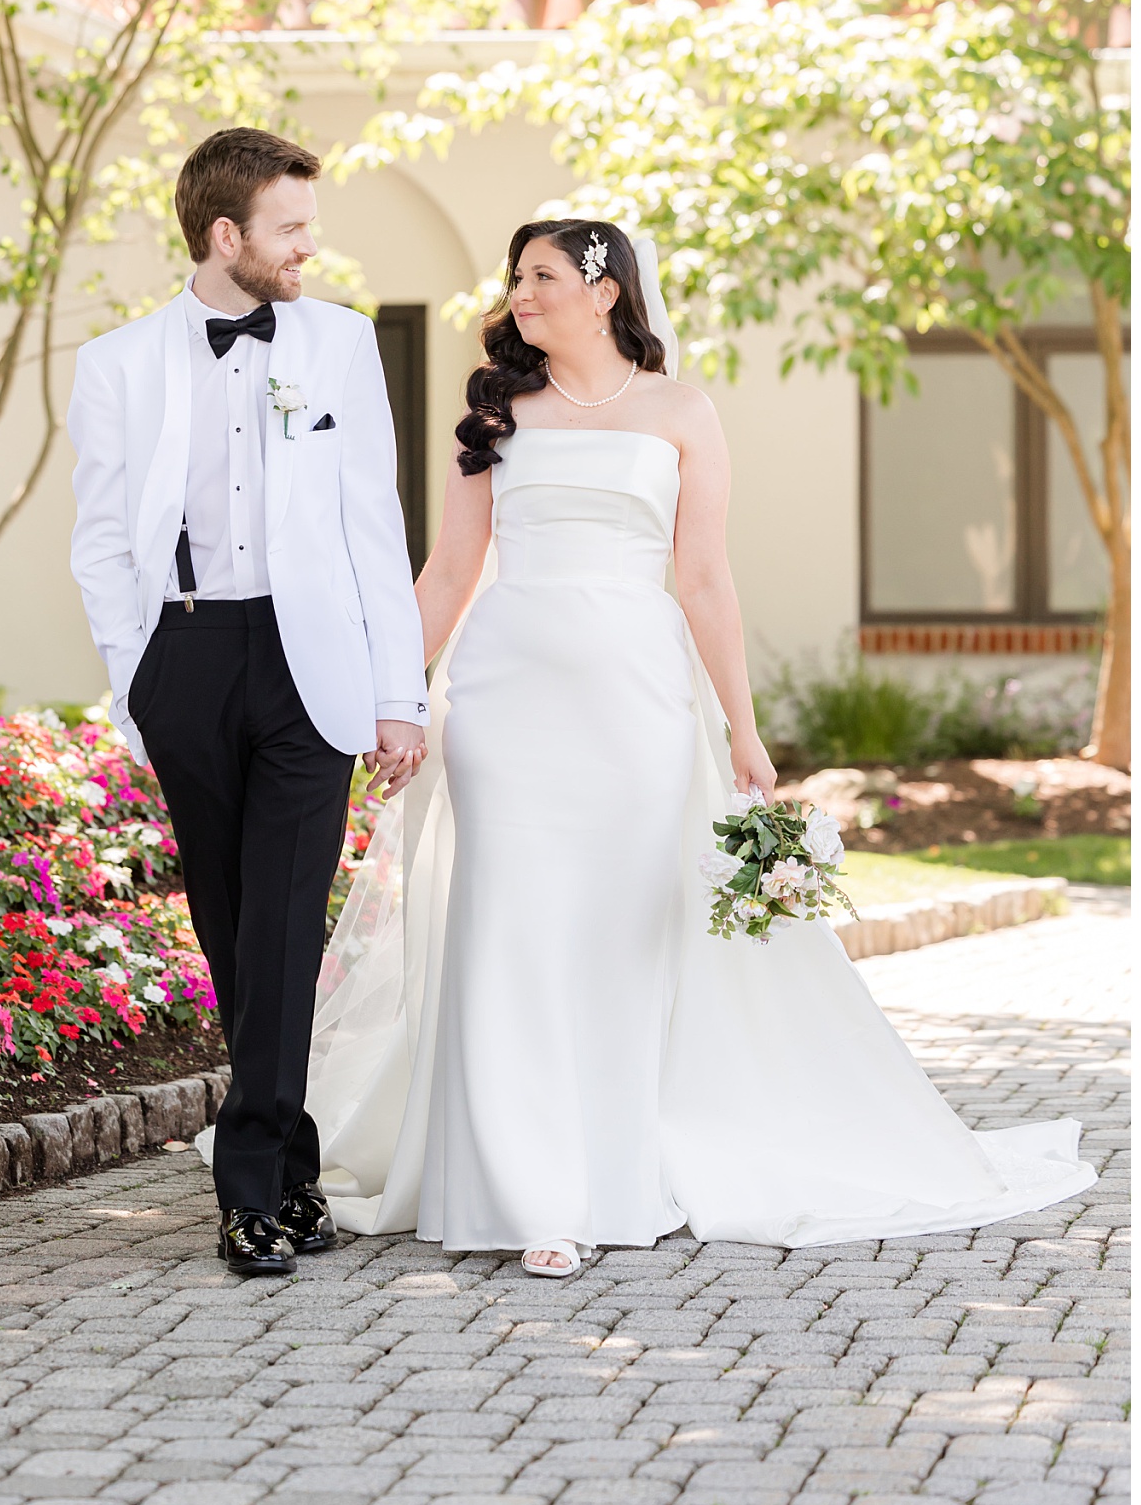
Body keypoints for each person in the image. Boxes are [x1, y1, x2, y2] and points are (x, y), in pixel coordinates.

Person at [305, 218, 1094, 1277]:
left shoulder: (681, 412)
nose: (518, 295)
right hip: (501, 701)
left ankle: (611, 1167)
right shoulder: (495, 415)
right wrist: (392, 699)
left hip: (635, 701)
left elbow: (705, 579)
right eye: (515, 279)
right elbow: (447, 572)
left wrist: (742, 727)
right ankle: (526, 1191)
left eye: (540, 277)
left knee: (617, 937)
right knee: (508, 929)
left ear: (604, 291)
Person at [68, 128, 429, 1276]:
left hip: (307, 659)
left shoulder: (338, 344)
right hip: (186, 650)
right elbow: (97, 542)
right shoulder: (117, 364)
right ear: (225, 236)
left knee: (280, 920)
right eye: (289, 230)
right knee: (232, 929)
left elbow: (375, 521)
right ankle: (295, 1169)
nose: (308, 249)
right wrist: (137, 684)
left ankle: (247, 1195)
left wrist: (396, 693)